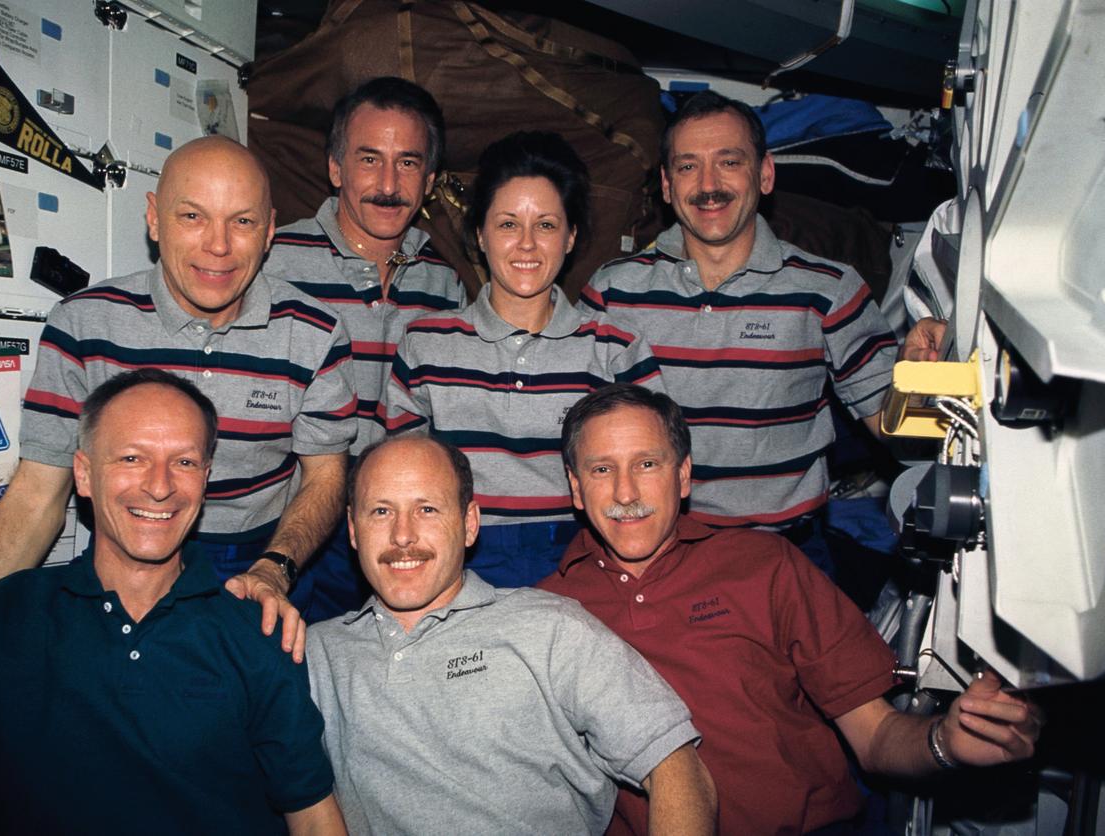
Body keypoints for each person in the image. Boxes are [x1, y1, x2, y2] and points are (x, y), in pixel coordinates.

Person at [0, 136, 355, 675]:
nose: (218, 246)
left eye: (242, 222)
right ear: (153, 218)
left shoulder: (316, 332)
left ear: (270, 229)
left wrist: (274, 569)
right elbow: (34, 499)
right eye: (192, 216)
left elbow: (325, 477)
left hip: (255, 557)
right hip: (118, 555)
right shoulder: (83, 324)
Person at [0, 370, 346, 835]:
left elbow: (314, 818)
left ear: (206, 478)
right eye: (132, 458)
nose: (159, 485)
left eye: (185, 461)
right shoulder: (3, 617)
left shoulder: (254, 632)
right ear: (83, 475)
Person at [538, 384, 1043, 835]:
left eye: (647, 464)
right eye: (602, 469)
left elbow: (877, 736)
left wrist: (946, 744)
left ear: (684, 475)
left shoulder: (764, 565)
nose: (626, 493)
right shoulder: (547, 612)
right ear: (577, 488)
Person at [579, 90, 946, 571]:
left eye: (729, 162)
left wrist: (924, 377)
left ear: (765, 174)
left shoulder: (829, 289)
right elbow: (572, 431)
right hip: (650, 556)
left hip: (784, 556)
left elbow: (900, 431)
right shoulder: (612, 291)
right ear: (667, 186)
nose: (709, 185)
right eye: (688, 167)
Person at [305, 435, 717, 835]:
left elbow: (676, 766)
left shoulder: (550, 626)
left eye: (427, 509)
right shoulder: (314, 652)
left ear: (469, 524)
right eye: (380, 512)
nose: (402, 536)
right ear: (353, 531)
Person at [383, 131, 662, 587]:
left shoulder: (616, 348)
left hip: (584, 563)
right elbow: (402, 482)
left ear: (571, 237)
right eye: (508, 224)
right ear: (480, 234)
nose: (527, 244)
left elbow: (650, 480)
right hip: (455, 563)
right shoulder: (425, 345)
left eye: (547, 225)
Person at [265, 77, 464, 621]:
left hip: (402, 536)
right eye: (369, 159)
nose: (387, 183)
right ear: (335, 169)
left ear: (427, 180)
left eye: (407, 163)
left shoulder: (445, 282)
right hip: (297, 533)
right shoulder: (274, 263)